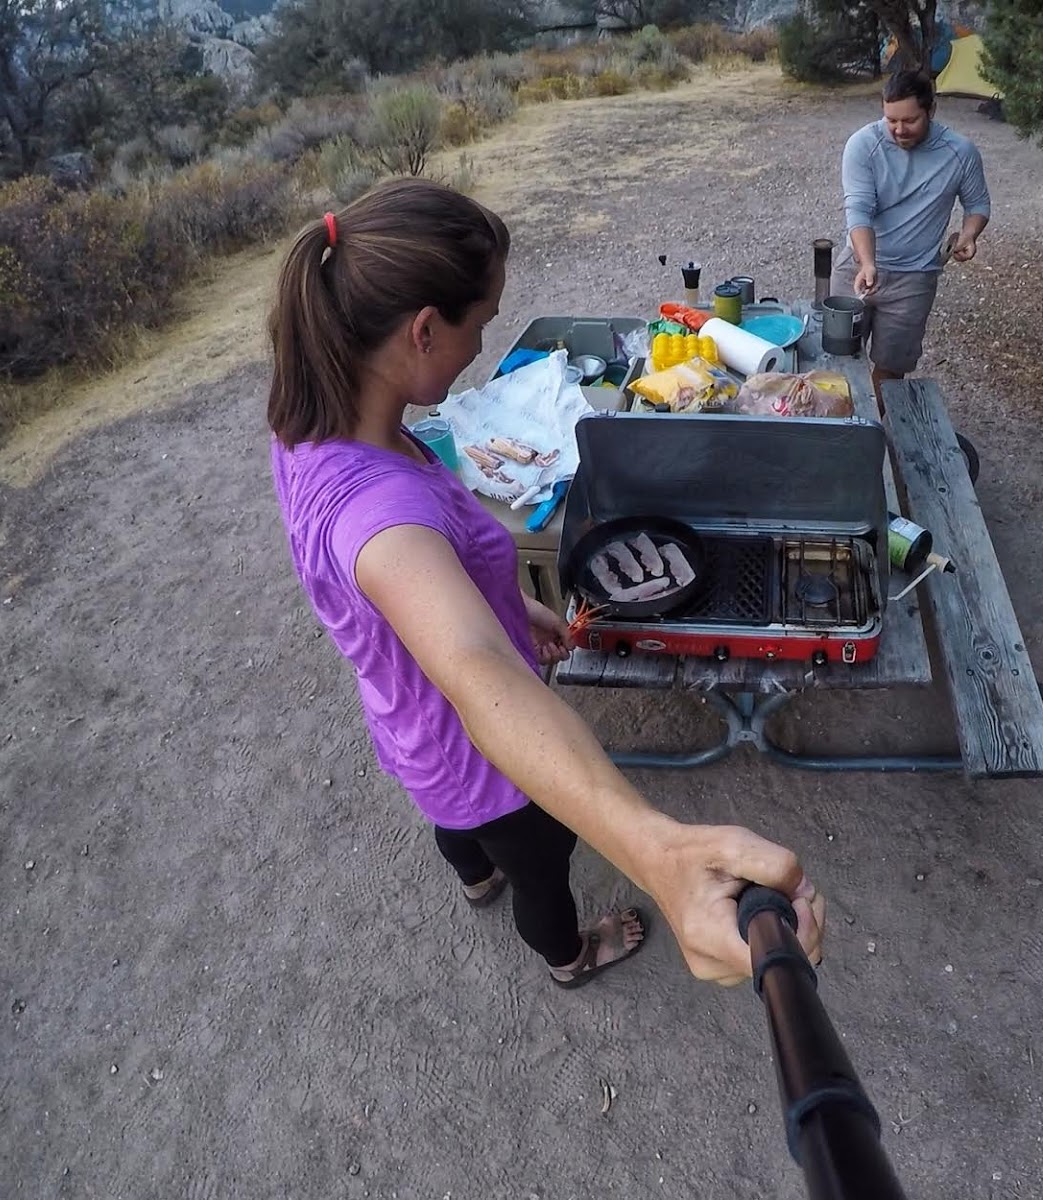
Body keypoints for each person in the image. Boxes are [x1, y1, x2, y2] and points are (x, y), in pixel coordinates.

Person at [266, 179, 824, 989]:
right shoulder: (379, 514)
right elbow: (476, 672)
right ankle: (570, 956)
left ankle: (472, 878)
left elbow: (424, 602)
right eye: (482, 324)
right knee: (539, 867)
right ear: (424, 330)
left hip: (412, 733)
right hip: (490, 765)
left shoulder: (309, 426)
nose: (482, 344)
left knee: (456, 831)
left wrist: (506, 600)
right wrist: (657, 851)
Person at [836, 68, 991, 408]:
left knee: (891, 369)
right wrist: (867, 263)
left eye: (910, 120)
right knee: (839, 358)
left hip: (914, 278)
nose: (899, 130)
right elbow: (858, 208)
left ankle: (878, 437)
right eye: (891, 120)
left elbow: (977, 204)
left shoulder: (960, 153)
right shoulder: (863, 145)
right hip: (856, 268)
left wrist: (968, 234)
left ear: (931, 110)